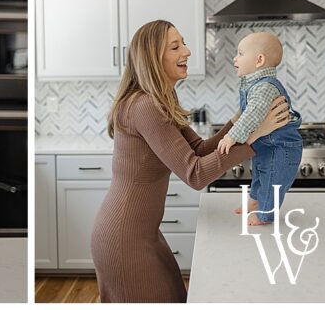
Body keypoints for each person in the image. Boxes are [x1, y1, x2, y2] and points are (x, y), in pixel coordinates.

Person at [91, 20, 289, 303]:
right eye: (175, 46)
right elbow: (194, 173)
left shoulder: (160, 98)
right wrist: (254, 137)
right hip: (124, 240)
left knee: (175, 297)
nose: (187, 51)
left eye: (183, 43)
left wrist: (242, 120)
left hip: (142, 233)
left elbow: (198, 149)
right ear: (152, 58)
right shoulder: (144, 106)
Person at [216, 32, 303, 226]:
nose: (234, 58)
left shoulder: (264, 87)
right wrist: (236, 118)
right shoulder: (254, 85)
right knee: (259, 173)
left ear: (259, 60)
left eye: (240, 53)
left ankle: (265, 215)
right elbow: (245, 110)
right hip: (267, 145)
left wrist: (231, 137)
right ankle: (255, 201)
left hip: (281, 148)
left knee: (272, 182)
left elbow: (252, 116)